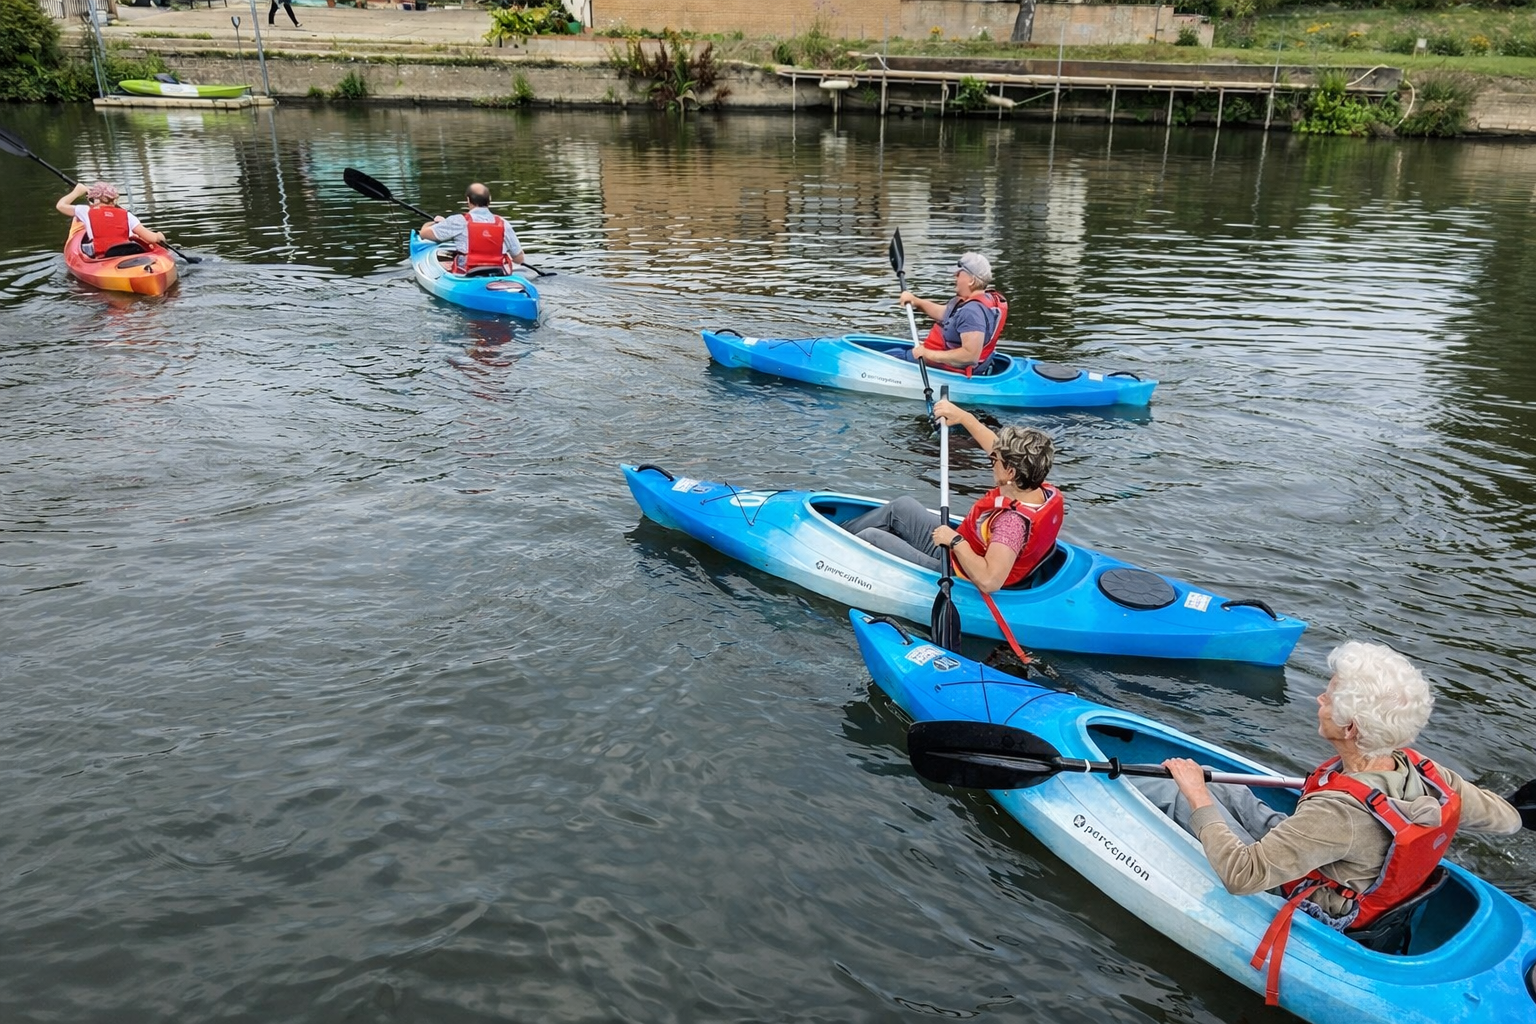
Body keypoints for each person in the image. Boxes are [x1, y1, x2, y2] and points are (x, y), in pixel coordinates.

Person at [1146, 641, 1522, 1002]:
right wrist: (1519, 814)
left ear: (1351, 729)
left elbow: (1241, 875)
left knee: (1188, 798)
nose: (1319, 699)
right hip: (1349, 870)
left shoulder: (1337, 813)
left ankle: (1146, 794)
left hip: (1323, 904)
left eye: (1329, 696)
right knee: (1224, 786)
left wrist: (1196, 794)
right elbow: (1506, 820)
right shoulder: (1432, 775)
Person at [840, 398, 1063, 593]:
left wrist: (955, 541)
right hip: (960, 554)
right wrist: (964, 417)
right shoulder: (1032, 483)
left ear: (1010, 472)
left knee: (873, 537)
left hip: (957, 572)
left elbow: (989, 581)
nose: (991, 462)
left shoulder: (1011, 523)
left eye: (994, 461)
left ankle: (835, 554)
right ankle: (839, 534)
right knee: (902, 506)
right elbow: (995, 446)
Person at [898, 252, 1009, 375]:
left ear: (971, 280)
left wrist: (927, 353)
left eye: (959, 273)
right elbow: (945, 314)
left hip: (948, 369)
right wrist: (916, 301)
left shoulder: (971, 312)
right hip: (936, 359)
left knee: (892, 355)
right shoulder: (975, 301)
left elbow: (970, 356)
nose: (954, 275)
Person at [419, 183, 526, 276]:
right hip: (498, 272)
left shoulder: (458, 221)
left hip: (468, 274)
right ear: (489, 200)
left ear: (468, 200)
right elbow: (519, 259)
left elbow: (424, 233)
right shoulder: (503, 224)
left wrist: (435, 222)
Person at [55, 181, 165, 258]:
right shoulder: (127, 215)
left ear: (96, 198)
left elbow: (60, 206)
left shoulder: (85, 211)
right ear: (114, 199)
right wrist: (159, 236)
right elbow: (151, 238)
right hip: (126, 252)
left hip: (103, 255)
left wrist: (77, 191)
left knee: (85, 247)